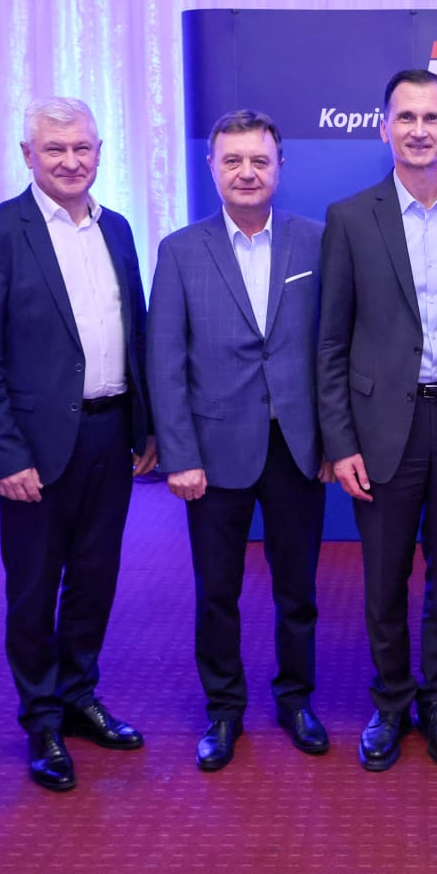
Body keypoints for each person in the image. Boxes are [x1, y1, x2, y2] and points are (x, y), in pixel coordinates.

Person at [317, 69, 437, 771]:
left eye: (432, 117)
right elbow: (330, 342)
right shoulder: (350, 218)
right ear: (385, 128)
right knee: (383, 579)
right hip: (379, 430)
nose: (419, 130)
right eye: (406, 117)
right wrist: (340, 440)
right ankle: (391, 700)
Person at [0, 96, 156, 793]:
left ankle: (78, 694)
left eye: (82, 148)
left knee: (95, 576)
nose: (71, 161)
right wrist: (4, 454)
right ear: (28, 155)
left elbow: (137, 328)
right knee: (34, 586)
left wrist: (147, 425)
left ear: (100, 151)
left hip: (111, 432)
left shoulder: (118, 228)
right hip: (34, 448)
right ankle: (41, 718)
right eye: (55, 149)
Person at [147, 110, 332, 771]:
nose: (247, 172)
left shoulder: (317, 242)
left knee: (297, 589)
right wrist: (179, 454)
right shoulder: (180, 250)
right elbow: (165, 360)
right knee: (217, 591)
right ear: (213, 167)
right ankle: (224, 709)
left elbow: (333, 350)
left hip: (297, 447)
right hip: (213, 451)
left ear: (280, 166)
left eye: (259, 160)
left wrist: (334, 440)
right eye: (233, 160)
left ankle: (295, 699)